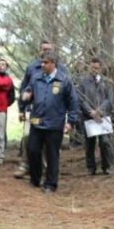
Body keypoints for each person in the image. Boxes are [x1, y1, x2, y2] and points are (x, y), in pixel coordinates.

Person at [22, 50, 79, 192]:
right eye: (41, 62)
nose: (42, 65)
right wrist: (26, 96)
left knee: (52, 154)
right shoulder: (35, 78)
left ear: (53, 64)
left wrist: (70, 121)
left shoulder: (64, 80)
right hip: (37, 122)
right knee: (33, 150)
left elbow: (73, 103)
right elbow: (28, 91)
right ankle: (35, 179)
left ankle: (51, 184)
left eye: (46, 63)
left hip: (54, 124)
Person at [16, 40, 67, 178]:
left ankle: (49, 168)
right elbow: (24, 88)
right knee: (28, 138)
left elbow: (67, 91)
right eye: (44, 49)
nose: (46, 51)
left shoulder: (61, 68)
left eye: (49, 49)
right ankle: (26, 165)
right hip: (34, 110)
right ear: (39, 50)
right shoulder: (32, 67)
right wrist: (21, 109)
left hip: (54, 113)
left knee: (51, 142)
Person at [77, 57, 114, 175]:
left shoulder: (106, 81)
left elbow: (110, 99)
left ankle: (106, 167)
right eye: (93, 68)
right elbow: (81, 99)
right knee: (89, 144)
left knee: (105, 142)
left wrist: (99, 111)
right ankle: (91, 168)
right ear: (89, 67)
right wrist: (90, 111)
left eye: (97, 68)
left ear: (100, 68)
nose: (95, 70)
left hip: (102, 117)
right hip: (88, 117)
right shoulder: (83, 82)